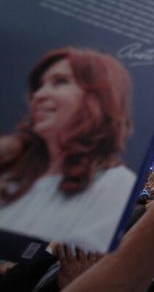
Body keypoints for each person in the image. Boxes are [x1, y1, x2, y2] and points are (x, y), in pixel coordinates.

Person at [0, 48, 136, 251]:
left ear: (99, 97)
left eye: (60, 81)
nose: (39, 95)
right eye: (39, 85)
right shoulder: (12, 161)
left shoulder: (114, 183)